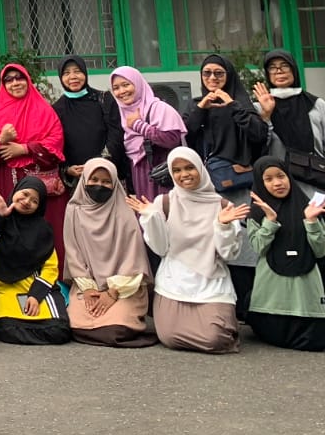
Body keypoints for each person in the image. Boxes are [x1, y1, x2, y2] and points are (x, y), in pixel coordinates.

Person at [129, 148, 243, 353]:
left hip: (211, 282)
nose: (184, 174)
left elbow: (229, 255)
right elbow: (161, 249)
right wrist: (151, 219)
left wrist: (223, 226)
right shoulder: (164, 203)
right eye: (178, 170)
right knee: (169, 338)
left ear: (200, 168)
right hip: (173, 282)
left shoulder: (223, 206)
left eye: (189, 167)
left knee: (215, 339)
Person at [184, 53, 267, 315]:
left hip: (239, 185)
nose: (212, 78)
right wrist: (202, 108)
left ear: (228, 76)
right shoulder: (198, 105)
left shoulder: (241, 104)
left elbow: (257, 134)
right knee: (213, 242)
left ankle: (248, 305)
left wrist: (231, 105)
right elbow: (185, 135)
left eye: (218, 74)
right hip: (206, 186)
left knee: (241, 240)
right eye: (207, 73)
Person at [61, 159, 155, 347]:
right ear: (84, 180)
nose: (99, 185)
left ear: (115, 184)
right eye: (94, 179)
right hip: (87, 284)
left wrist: (112, 292)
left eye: (106, 182)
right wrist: (88, 288)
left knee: (117, 328)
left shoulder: (124, 210)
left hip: (124, 286)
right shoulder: (74, 210)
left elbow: (133, 258)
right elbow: (73, 253)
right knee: (75, 325)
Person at [0, 63, 67, 269]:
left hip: (39, 184)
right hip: (10, 181)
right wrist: (0, 140)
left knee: (46, 229)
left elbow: (56, 142)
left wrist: (25, 149)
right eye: (9, 80)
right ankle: (14, 276)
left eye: (19, 78)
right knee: (12, 228)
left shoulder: (44, 110)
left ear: (27, 80)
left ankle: (51, 278)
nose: (15, 83)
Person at [245, 157, 325, 351]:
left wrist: (311, 222)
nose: (277, 183)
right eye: (269, 179)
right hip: (270, 299)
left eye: (281, 176)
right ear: (260, 183)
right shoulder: (257, 213)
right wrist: (270, 220)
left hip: (306, 300)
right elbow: (259, 247)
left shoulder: (308, 208)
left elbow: (320, 250)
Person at [0, 176, 71, 345]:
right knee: (6, 328)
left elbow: (50, 268)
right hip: (6, 285)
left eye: (35, 201)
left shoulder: (43, 229)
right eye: (25, 194)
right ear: (16, 191)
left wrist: (35, 296)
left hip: (37, 286)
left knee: (59, 330)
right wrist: (1, 218)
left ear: (39, 206)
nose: (27, 201)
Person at [253, 50, 325, 194]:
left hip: (314, 180)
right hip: (277, 184)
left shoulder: (316, 105)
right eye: (272, 67)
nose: (279, 71)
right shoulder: (259, 107)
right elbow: (256, 146)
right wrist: (266, 116)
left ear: (294, 69)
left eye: (284, 65)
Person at [110, 65, 185, 203]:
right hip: (140, 175)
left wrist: (139, 125)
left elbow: (171, 139)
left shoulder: (158, 108)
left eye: (126, 85)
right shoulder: (121, 114)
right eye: (116, 88)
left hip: (162, 175)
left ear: (138, 84)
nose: (121, 91)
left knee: (166, 215)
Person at [53, 56, 129, 189]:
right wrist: (67, 169)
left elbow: (116, 134)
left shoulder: (104, 99)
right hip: (77, 180)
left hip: (106, 173)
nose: (73, 77)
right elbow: (57, 143)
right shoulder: (57, 109)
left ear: (85, 73)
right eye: (66, 73)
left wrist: (100, 163)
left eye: (77, 71)